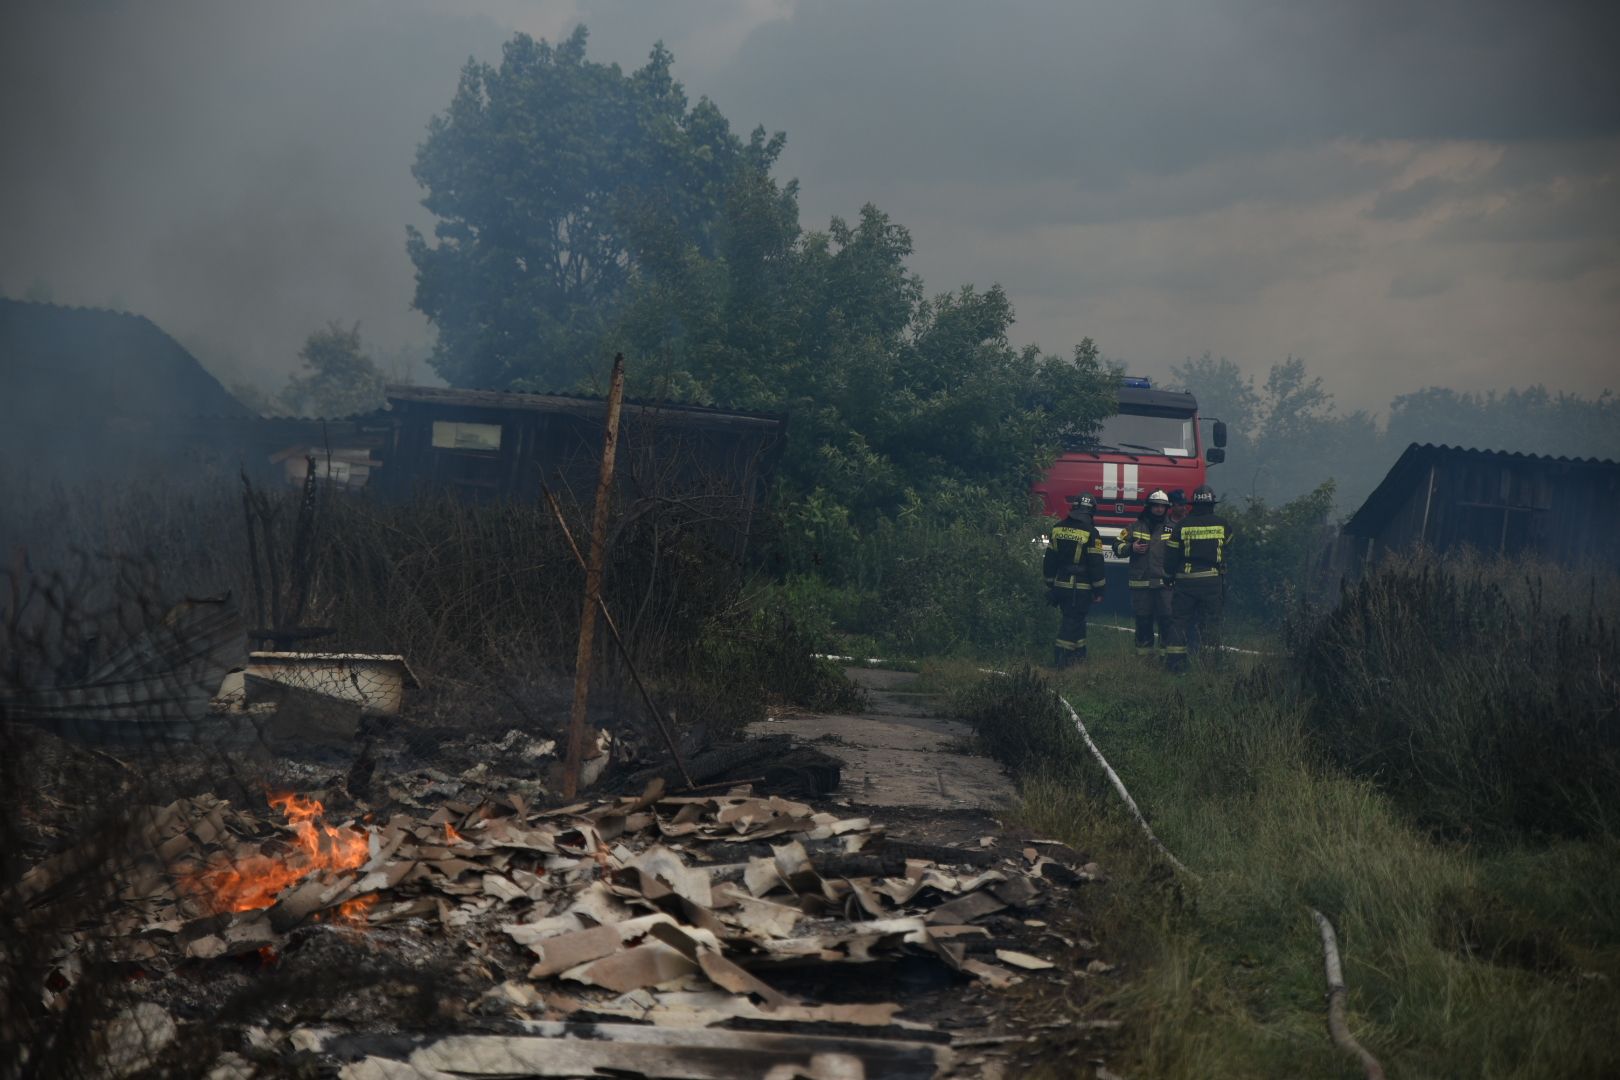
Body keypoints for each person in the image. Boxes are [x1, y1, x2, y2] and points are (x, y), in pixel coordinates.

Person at [1163, 484, 1232, 673]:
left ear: (1193, 505)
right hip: (1212, 581)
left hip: (1185, 581)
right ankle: (1208, 666)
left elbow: (1170, 556)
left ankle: (1175, 666)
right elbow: (1228, 546)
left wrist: (1168, 577)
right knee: (1211, 623)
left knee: (1180, 622)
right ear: (1211, 504)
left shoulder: (1182, 526)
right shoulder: (1222, 524)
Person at [1043, 493, 1106, 667]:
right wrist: (1099, 590)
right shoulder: (1091, 532)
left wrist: (1050, 583)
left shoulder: (1057, 528)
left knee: (1076, 621)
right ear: (1091, 512)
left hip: (1060, 585)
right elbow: (1096, 565)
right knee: (1071, 622)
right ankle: (1061, 661)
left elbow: (1049, 559)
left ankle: (1078, 659)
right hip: (1080, 587)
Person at [1113, 489, 1173, 656]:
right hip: (1141, 585)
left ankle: (1165, 657)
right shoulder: (1134, 527)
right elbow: (1116, 546)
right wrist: (1131, 548)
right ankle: (1143, 658)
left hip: (1164, 585)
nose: (1159, 510)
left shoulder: (1171, 529)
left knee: (1167, 620)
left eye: (1163, 506)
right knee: (1143, 621)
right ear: (1148, 507)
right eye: (1156, 506)